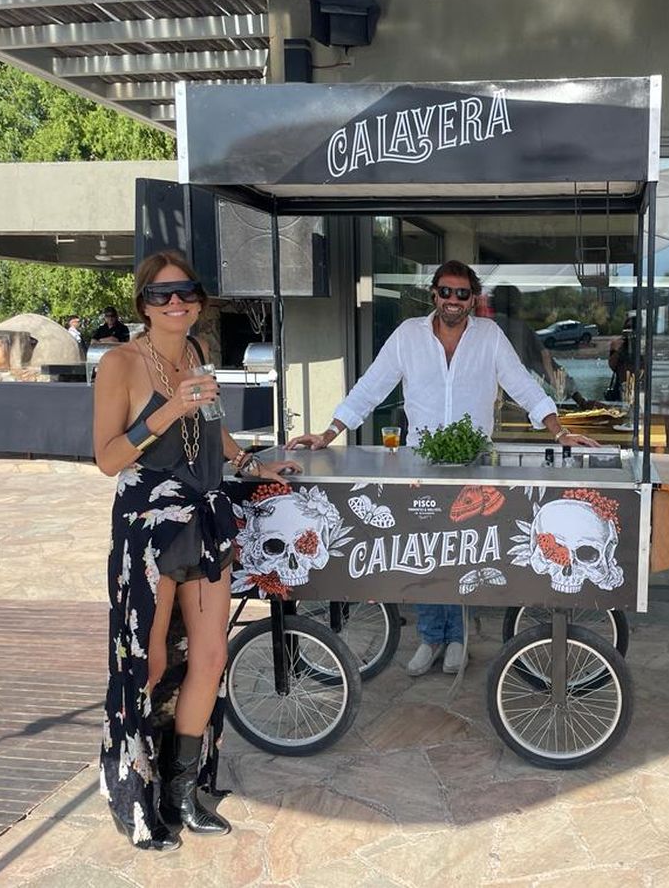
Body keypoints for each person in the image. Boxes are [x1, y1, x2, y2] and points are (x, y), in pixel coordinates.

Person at [286, 260, 599, 677]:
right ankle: (432, 637)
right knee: (425, 553)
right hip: (421, 461)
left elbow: (523, 384)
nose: (453, 301)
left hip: (473, 463)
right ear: (433, 294)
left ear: (473, 299)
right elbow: (371, 385)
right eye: (446, 292)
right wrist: (329, 432)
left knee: (463, 549)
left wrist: (559, 433)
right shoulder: (407, 336)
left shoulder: (489, 336)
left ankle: (458, 639)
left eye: (462, 294)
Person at [92, 250, 294, 851]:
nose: (174, 302)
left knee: (209, 658)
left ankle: (184, 791)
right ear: (143, 304)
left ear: (199, 300)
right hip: (151, 528)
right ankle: (140, 796)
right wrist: (167, 410)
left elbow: (209, 426)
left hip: (205, 518)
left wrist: (246, 460)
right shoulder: (120, 364)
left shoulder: (200, 354)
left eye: (185, 292)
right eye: (160, 294)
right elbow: (106, 459)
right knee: (150, 664)